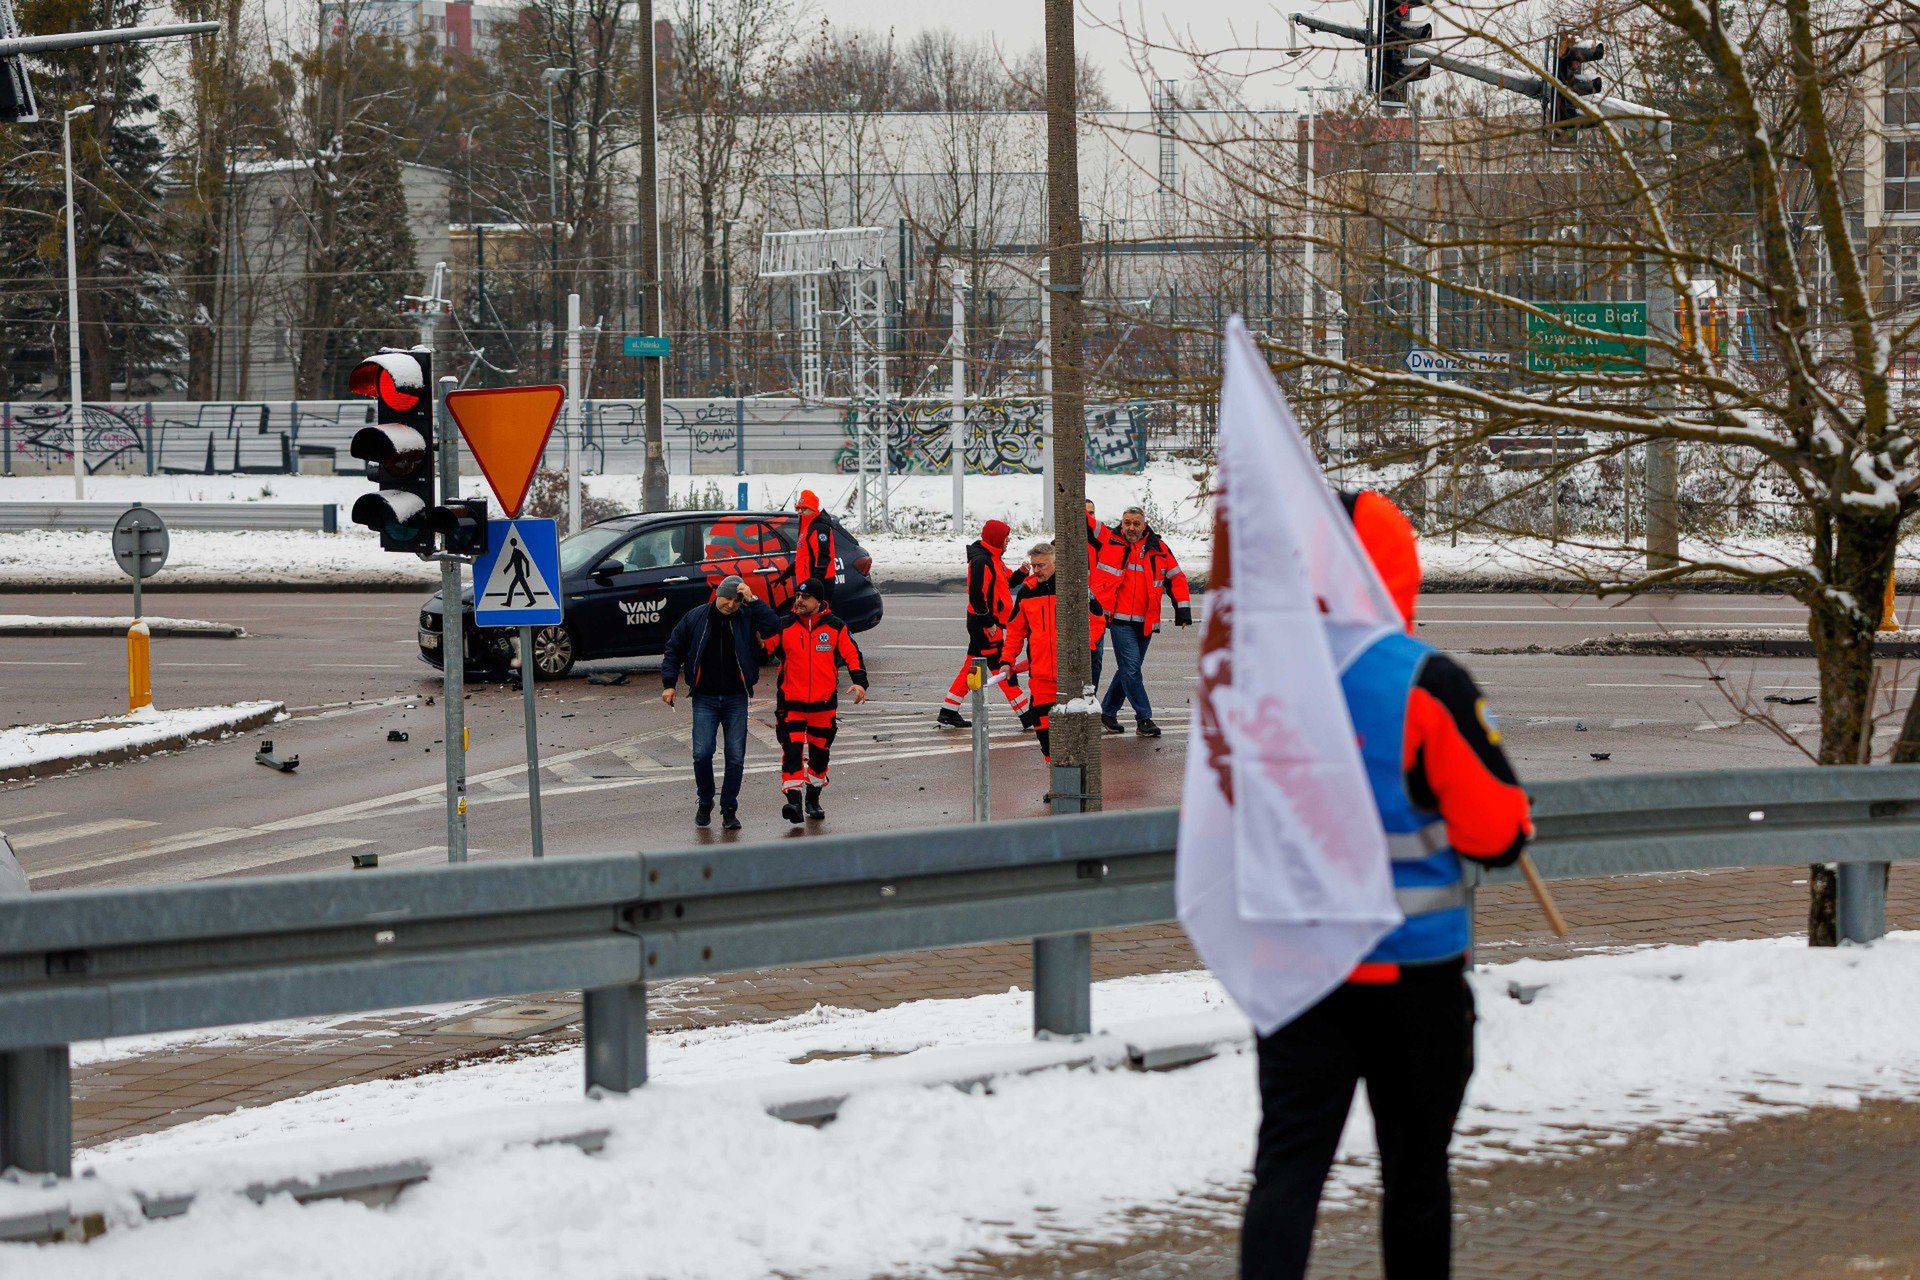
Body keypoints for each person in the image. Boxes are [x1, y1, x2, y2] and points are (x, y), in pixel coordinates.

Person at [1241, 490, 1532, 1280]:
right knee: (1416, 1176)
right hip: (1414, 978)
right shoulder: (1425, 682)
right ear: (1396, 566)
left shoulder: (1256, 681)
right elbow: (1496, 832)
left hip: (1300, 975)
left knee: (1288, 1173)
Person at [660, 575, 782, 831]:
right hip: (704, 698)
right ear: (718, 595)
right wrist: (669, 684)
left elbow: (773, 627)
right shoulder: (696, 617)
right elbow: (674, 648)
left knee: (735, 757)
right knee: (702, 753)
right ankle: (705, 801)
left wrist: (754, 600)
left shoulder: (746, 616)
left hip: (736, 698)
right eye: (727, 599)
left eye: (736, 601)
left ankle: (729, 808)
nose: (730, 605)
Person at [764, 577, 868, 824]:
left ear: (819, 602)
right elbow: (763, 648)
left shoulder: (835, 627)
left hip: (823, 706)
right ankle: (793, 801)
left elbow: (853, 654)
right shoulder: (784, 625)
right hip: (791, 705)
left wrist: (860, 682)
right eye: (798, 596)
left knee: (820, 756)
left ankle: (813, 798)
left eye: (805, 597)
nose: (799, 601)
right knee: (792, 752)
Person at [997, 542, 1105, 769]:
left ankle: (1078, 784)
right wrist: (1007, 661)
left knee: (1075, 732)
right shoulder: (1027, 592)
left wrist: (1084, 650)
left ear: (1056, 563)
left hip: (1073, 675)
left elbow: (1097, 621)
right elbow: (1015, 631)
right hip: (1042, 676)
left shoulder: (1075, 587)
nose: (1037, 570)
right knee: (1044, 732)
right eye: (1034, 565)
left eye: (1042, 565)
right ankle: (1056, 778)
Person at [1094, 504, 1192, 739]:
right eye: (1127, 522)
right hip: (1119, 621)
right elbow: (1088, 529)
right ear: (1122, 523)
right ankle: (1143, 718)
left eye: (1136, 523)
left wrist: (1183, 610)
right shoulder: (1110, 542)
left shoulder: (1158, 548)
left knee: (1129, 670)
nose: (1131, 527)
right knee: (1131, 669)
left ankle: (1107, 712)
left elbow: (1176, 578)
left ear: (1144, 524)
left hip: (1146, 622)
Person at [936, 518, 1033, 729]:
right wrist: (989, 623)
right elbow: (977, 596)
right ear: (997, 538)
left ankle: (948, 710)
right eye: (1006, 538)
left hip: (985, 622)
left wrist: (1021, 574)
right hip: (985, 624)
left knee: (972, 666)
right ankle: (1026, 714)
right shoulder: (982, 561)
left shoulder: (992, 558)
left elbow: (1006, 582)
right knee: (1002, 667)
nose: (1008, 542)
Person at [792, 489, 838, 601]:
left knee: (819, 616)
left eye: (803, 508)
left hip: (818, 584)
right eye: (798, 508)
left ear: (812, 509)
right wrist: (787, 572)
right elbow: (803, 556)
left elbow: (822, 558)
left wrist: (814, 584)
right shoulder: (806, 526)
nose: (800, 511)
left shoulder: (819, 528)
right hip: (806, 582)